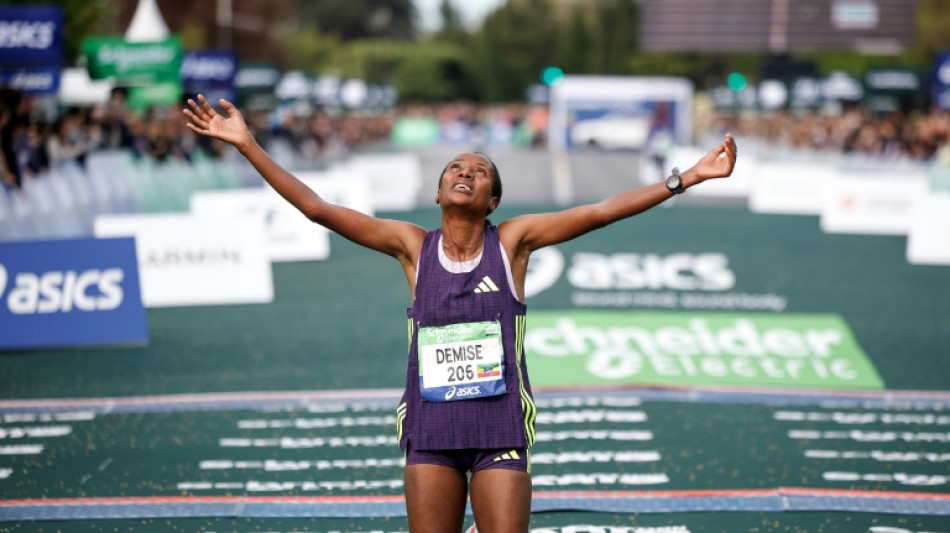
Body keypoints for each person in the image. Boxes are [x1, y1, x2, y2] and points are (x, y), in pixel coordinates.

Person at [183, 94, 737, 533]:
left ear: (493, 199)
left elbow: (600, 212)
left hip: (499, 426)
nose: (465, 172)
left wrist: (685, 177)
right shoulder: (412, 247)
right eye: (454, 167)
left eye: (479, 170)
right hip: (430, 427)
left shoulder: (512, 242)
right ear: (438, 192)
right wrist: (247, 144)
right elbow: (317, 209)